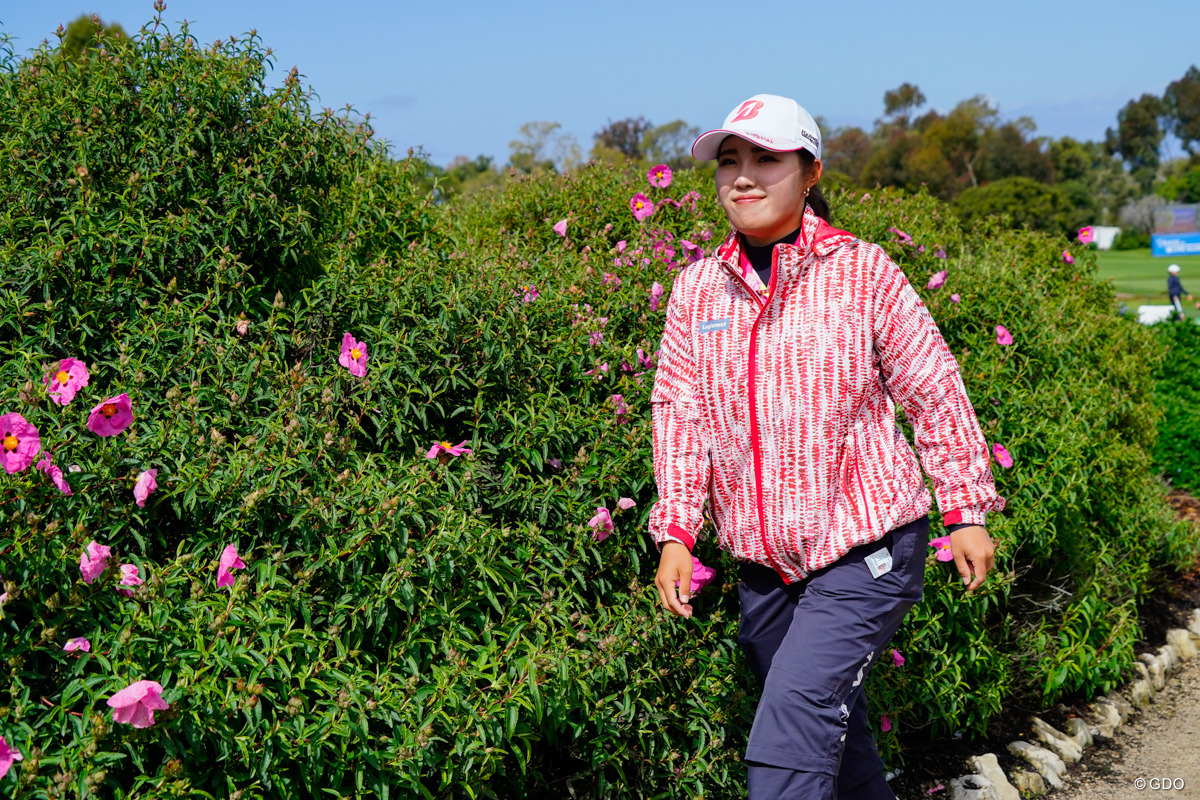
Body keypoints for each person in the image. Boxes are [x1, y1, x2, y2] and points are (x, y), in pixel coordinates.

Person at [648, 94, 1005, 800]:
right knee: (833, 740)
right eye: (729, 161)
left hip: (865, 547)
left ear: (811, 172)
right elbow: (679, 414)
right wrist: (676, 532)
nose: (743, 177)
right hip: (764, 566)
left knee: (792, 725)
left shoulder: (862, 272)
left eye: (766, 159)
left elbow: (933, 387)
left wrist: (965, 509)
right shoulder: (696, 290)